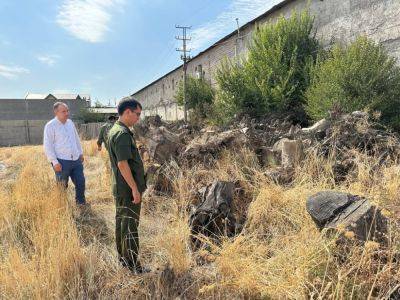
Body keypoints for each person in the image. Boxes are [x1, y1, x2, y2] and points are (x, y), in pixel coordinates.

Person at [107, 96, 147, 274]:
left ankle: (123, 259)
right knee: (130, 224)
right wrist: (134, 188)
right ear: (128, 112)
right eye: (137, 114)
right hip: (127, 189)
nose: (138, 118)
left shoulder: (116, 129)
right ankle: (132, 264)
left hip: (122, 187)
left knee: (122, 223)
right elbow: (122, 164)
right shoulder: (122, 134)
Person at [43, 102, 86, 205]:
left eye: (67, 111)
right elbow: (48, 145)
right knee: (62, 186)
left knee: (80, 182)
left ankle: (81, 203)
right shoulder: (50, 125)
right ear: (56, 112)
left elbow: (76, 139)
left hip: (76, 160)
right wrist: (54, 162)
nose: (67, 113)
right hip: (62, 162)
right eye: (63, 111)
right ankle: (62, 207)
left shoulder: (70, 123)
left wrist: (80, 153)